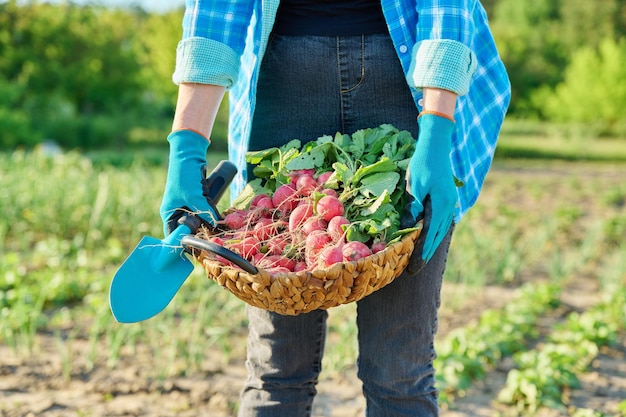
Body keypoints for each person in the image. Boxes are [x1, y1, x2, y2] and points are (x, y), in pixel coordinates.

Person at [159, 0, 511, 416]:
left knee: (399, 372)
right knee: (276, 368)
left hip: (406, 78)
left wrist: (435, 124)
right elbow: (217, 10)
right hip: (284, 83)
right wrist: (186, 148)